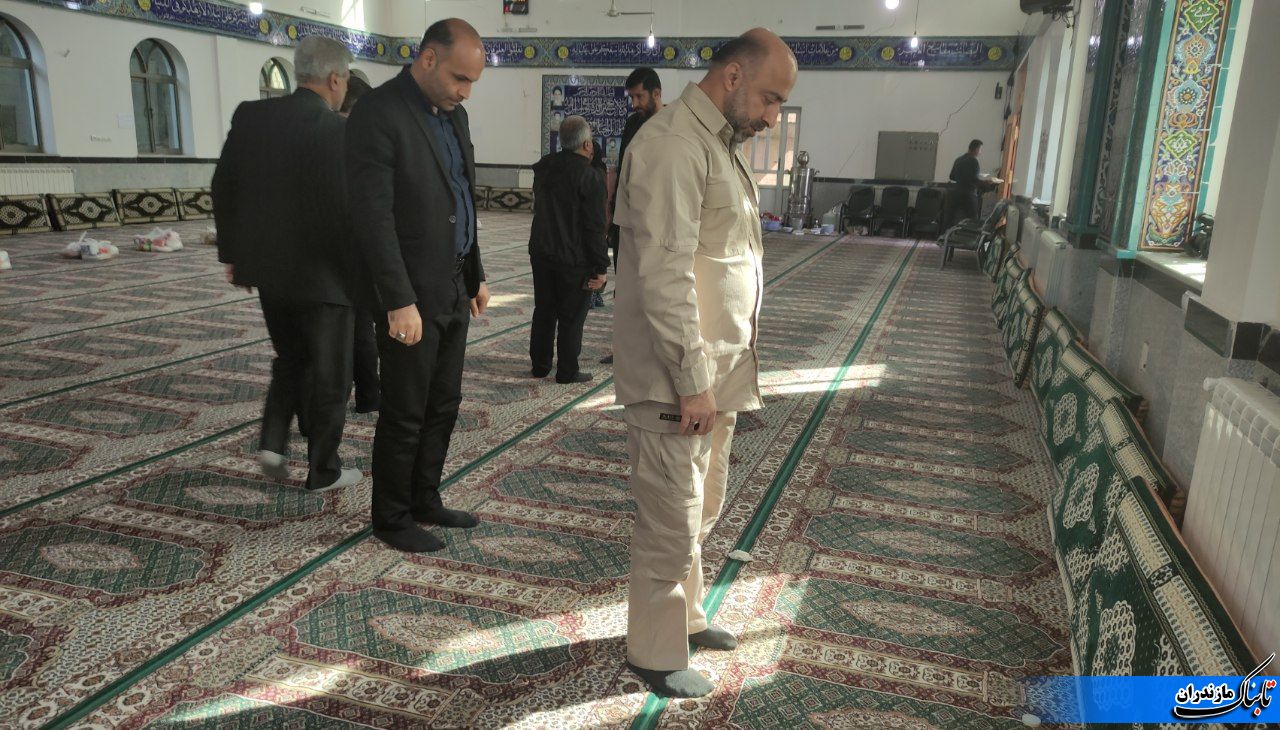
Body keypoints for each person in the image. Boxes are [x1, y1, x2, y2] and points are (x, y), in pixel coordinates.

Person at [612, 29, 797, 698]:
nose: (772, 116)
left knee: (699, 508)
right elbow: (666, 277)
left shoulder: (718, 146)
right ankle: (654, 652)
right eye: (770, 99)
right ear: (733, 77)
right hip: (676, 379)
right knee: (670, 517)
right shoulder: (671, 146)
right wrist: (692, 382)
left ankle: (686, 618)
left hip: (713, 376)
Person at [346, 18, 491, 554]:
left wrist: (475, 273)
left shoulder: (455, 115)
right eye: (459, 78)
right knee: (406, 409)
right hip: (410, 294)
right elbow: (372, 217)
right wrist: (398, 300)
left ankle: (425, 497)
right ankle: (391, 516)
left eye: (472, 82)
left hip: (453, 284)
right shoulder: (379, 112)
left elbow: (462, 196)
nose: (465, 91)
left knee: (443, 402)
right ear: (428, 58)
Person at [212, 36, 361, 493]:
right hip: (327, 278)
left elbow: (223, 185)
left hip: (270, 273)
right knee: (332, 376)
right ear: (335, 79)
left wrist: (235, 255)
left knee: (292, 358)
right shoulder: (339, 131)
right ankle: (324, 471)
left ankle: (273, 442)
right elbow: (349, 209)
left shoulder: (251, 116)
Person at [528, 115, 609, 384]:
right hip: (573, 258)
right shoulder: (590, 176)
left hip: (541, 252)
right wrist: (601, 267)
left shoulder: (544, 167)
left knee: (544, 310)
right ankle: (567, 371)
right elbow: (594, 227)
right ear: (587, 144)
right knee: (571, 317)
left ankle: (540, 365)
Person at [600, 66, 664, 366]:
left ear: (656, 93)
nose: (635, 103)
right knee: (625, 288)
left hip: (656, 222)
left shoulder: (671, 126)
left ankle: (654, 348)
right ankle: (624, 348)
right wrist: (611, 207)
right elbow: (622, 168)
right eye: (632, 98)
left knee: (654, 288)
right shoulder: (633, 124)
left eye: (639, 97)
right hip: (625, 220)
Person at [338, 74, 380, 414]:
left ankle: (334, 405)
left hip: (339, 255)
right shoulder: (364, 143)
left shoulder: (330, 139)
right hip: (360, 252)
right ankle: (368, 396)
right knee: (360, 328)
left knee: (344, 332)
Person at [947, 138, 984, 226]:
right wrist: (987, 183)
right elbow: (974, 180)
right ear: (976, 149)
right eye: (980, 150)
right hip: (969, 195)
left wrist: (961, 178)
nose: (980, 152)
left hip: (956, 194)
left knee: (952, 219)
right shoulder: (973, 161)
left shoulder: (958, 159)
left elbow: (951, 176)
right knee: (973, 221)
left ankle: (950, 234)